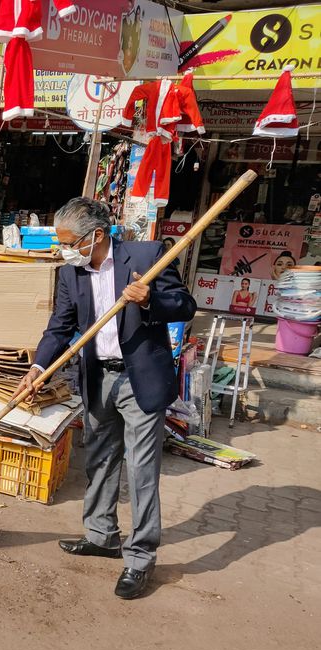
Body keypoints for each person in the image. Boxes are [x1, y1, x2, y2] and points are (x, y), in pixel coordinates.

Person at [20, 197, 196, 600]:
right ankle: (101, 535)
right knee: (99, 458)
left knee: (141, 469)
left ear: (96, 236)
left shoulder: (146, 256)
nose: (64, 250)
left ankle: (140, 557)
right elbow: (59, 328)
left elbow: (185, 306)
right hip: (98, 377)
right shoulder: (71, 273)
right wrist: (37, 369)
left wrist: (149, 299)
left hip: (140, 380)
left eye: (69, 242)